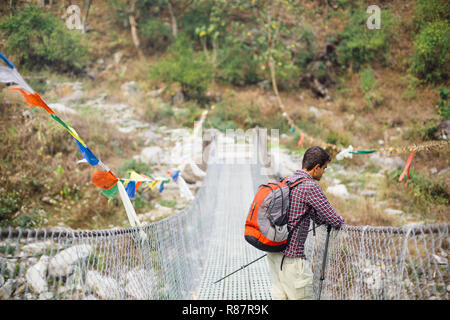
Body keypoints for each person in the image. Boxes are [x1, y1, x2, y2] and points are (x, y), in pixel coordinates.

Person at [267, 146, 345, 300]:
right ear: (316, 167)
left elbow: (314, 217)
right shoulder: (310, 187)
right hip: (292, 260)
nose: (323, 172)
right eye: (324, 168)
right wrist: (342, 222)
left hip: (274, 253)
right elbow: (335, 220)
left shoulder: (288, 180)